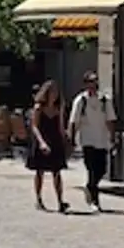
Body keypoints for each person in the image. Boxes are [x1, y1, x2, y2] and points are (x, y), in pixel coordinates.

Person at [68, 71, 116, 212]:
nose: (93, 84)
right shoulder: (80, 101)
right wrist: (71, 139)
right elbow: (74, 121)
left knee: (102, 169)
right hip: (87, 140)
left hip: (102, 139)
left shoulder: (104, 100)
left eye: (95, 81)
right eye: (90, 81)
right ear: (86, 84)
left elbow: (110, 119)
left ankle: (90, 187)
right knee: (92, 169)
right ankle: (95, 200)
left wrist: (112, 137)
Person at [26, 80, 70, 213]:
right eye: (52, 91)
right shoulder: (39, 107)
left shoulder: (59, 107)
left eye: (56, 91)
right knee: (40, 171)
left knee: (57, 171)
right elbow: (34, 126)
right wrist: (41, 142)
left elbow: (61, 126)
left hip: (55, 140)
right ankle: (39, 199)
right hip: (42, 139)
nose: (55, 94)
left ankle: (60, 201)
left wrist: (66, 139)